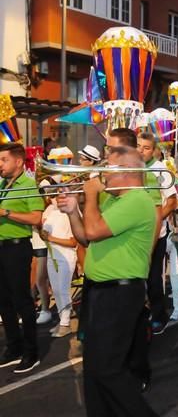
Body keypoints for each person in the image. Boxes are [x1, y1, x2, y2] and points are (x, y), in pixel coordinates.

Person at [56, 146, 158, 416]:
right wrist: (72, 211)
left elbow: (94, 229)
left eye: (107, 168)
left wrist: (89, 196)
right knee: (93, 368)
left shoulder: (137, 200)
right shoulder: (114, 199)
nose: (101, 173)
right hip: (101, 290)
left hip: (120, 292)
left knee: (108, 368)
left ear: (125, 171)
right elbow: (85, 237)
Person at [0, 142, 45, 373]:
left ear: (18, 161)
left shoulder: (28, 185)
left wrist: (6, 212)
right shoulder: (1, 184)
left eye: (3, 160)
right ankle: (14, 346)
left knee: (22, 301)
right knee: (3, 301)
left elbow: (37, 218)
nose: (0, 165)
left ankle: (31, 352)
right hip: (1, 246)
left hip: (17, 248)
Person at [137, 132, 177, 333]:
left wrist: (156, 219)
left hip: (156, 234)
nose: (141, 151)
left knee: (154, 279)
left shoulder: (160, 169)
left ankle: (159, 315)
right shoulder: (132, 167)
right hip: (135, 235)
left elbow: (171, 201)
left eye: (146, 147)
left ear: (153, 150)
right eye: (138, 146)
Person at [40, 191, 78, 338]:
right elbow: (45, 234)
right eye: (56, 194)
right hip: (52, 257)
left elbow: (73, 242)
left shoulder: (71, 212)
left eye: (62, 194)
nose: (57, 197)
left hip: (66, 257)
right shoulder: (52, 212)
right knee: (56, 291)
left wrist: (50, 238)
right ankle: (62, 320)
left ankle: (65, 323)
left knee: (63, 290)